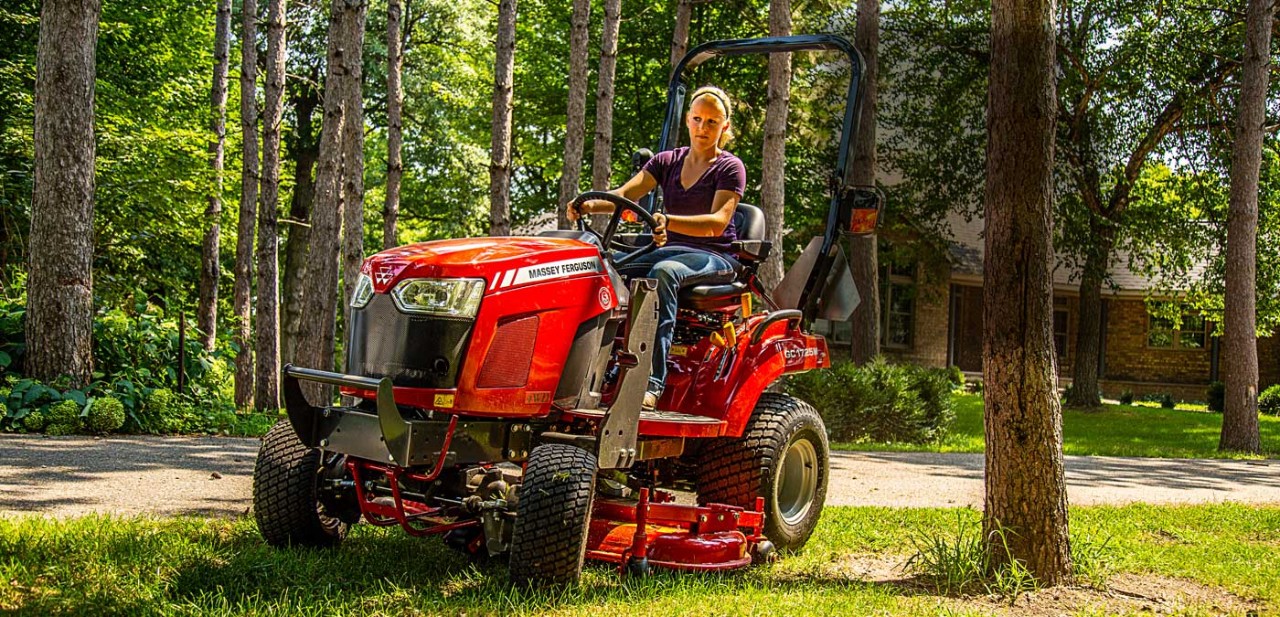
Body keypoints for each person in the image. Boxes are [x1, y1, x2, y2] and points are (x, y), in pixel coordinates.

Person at [567, 85, 746, 410]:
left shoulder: (729, 168)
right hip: (670, 249)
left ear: (725, 126)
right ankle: (592, 369)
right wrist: (589, 205)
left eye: (712, 122)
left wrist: (668, 221)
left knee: (663, 273)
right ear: (688, 121)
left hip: (715, 256)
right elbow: (626, 195)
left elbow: (717, 222)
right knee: (606, 266)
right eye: (697, 119)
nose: (703, 128)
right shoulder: (667, 161)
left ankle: (652, 383)